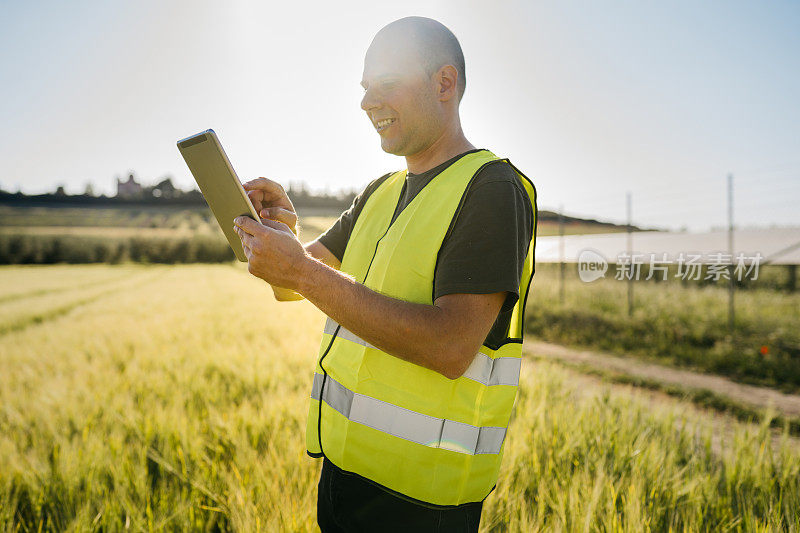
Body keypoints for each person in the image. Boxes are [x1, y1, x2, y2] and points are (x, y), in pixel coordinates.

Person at [233, 16, 537, 532]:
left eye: (386, 84)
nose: (367, 102)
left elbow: (450, 347)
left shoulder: (491, 188)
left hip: (423, 504)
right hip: (343, 477)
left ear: (445, 84)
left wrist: (302, 271)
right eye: (364, 88)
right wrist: (279, 234)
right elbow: (292, 283)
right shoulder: (380, 192)